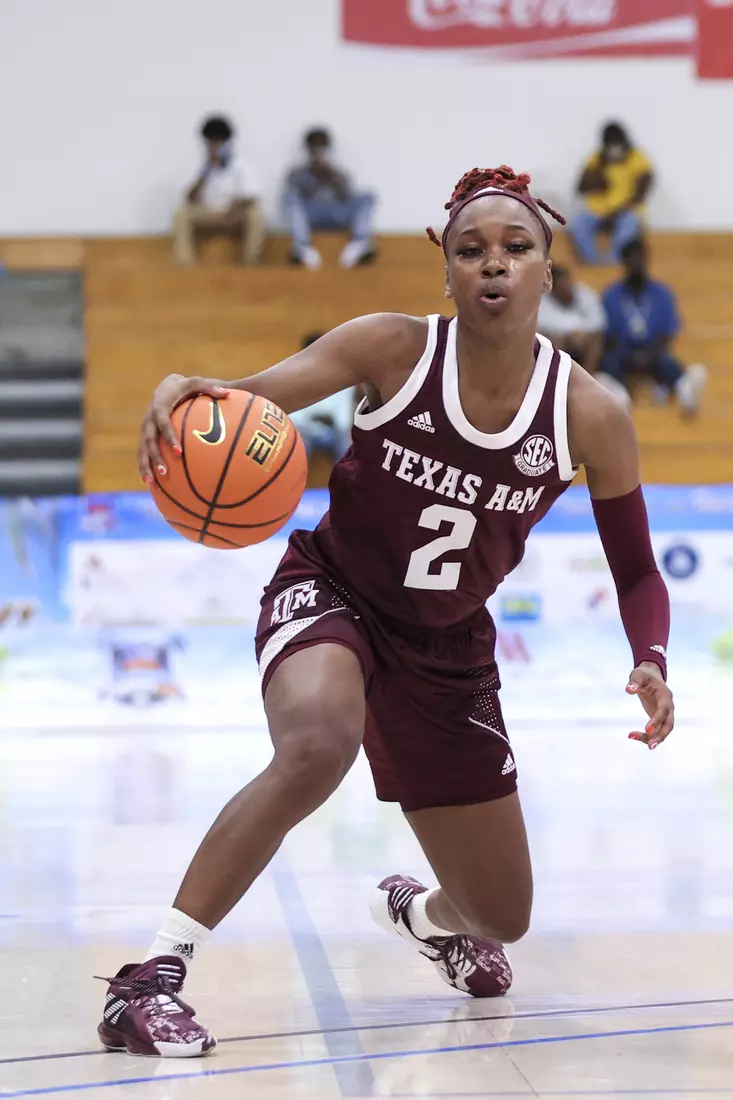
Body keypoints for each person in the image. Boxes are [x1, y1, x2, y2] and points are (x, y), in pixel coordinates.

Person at [101, 165, 674, 1058]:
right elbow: (245, 402)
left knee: (501, 915)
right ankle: (150, 979)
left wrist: (650, 655)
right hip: (334, 592)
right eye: (470, 250)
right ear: (445, 271)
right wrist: (184, 387)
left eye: (515, 248)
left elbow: (636, 569)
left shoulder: (588, 413)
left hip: (447, 645)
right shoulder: (392, 348)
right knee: (316, 746)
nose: (493, 263)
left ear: (546, 272)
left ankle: (422, 917)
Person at [599, 238, 707, 415]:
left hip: (653, 351)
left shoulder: (662, 293)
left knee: (666, 360)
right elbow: (607, 334)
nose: (637, 263)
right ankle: (618, 397)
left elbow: (668, 332)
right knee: (609, 362)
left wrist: (647, 355)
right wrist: (631, 354)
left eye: (640, 257)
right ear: (624, 261)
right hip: (623, 352)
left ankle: (685, 390)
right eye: (632, 258)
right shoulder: (611, 295)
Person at [173, 116, 264, 267]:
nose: (215, 146)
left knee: (255, 215)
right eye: (211, 142)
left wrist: (234, 210)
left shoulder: (241, 165)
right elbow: (189, 197)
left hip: (235, 212)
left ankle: (251, 263)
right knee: (180, 213)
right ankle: (185, 264)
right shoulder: (198, 165)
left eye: (219, 142)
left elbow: (251, 195)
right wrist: (206, 171)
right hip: (210, 212)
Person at [284, 128, 376, 270]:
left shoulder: (338, 172)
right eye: (315, 149)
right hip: (311, 215)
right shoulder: (297, 172)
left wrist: (332, 179)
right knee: (290, 197)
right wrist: (312, 177)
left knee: (368, 197)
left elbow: (348, 195)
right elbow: (296, 201)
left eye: (322, 149)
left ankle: (359, 243)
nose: (319, 153)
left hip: (338, 214)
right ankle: (302, 248)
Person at [570, 122, 654, 265]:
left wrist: (618, 213)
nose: (614, 151)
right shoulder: (596, 159)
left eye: (617, 146)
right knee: (578, 222)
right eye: (610, 147)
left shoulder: (638, 158)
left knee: (629, 223)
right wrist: (596, 182)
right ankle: (592, 263)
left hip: (626, 213)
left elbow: (642, 191)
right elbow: (580, 187)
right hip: (599, 214)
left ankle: (614, 263)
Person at [289, 333, 356, 462]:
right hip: (305, 430)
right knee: (297, 443)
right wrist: (312, 421)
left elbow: (343, 420)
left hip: (333, 432)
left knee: (347, 444)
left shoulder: (344, 379)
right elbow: (295, 417)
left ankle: (348, 475)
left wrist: (330, 421)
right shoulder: (294, 377)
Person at [537, 264, 605, 375]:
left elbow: (598, 324)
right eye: (561, 285)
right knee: (551, 340)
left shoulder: (585, 294)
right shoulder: (543, 300)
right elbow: (542, 326)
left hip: (584, 340)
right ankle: (554, 376)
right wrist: (568, 336)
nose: (566, 288)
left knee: (595, 340)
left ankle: (589, 375)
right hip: (559, 341)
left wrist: (581, 334)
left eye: (567, 283)